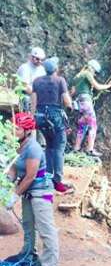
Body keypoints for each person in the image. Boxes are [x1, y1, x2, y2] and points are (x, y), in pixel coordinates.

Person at [5, 113, 59, 266]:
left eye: (17, 128)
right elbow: (14, 168)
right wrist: (5, 182)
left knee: (45, 227)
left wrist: (14, 194)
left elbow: (30, 176)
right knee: (28, 226)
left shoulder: (33, 148)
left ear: (27, 131)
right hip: (29, 192)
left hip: (41, 192)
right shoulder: (18, 146)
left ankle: (50, 264)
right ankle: (28, 254)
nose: (14, 130)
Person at [31, 57, 73, 194]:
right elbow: (67, 102)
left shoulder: (36, 81)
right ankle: (58, 182)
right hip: (55, 117)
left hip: (41, 117)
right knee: (59, 148)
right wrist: (71, 104)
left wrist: (33, 118)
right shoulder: (60, 80)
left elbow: (33, 102)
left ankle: (48, 178)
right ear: (56, 69)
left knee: (49, 147)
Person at [71, 60, 111, 156]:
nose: (94, 74)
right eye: (94, 72)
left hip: (79, 102)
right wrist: (109, 85)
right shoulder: (87, 73)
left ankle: (76, 148)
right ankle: (90, 149)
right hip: (86, 101)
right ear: (92, 68)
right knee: (93, 125)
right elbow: (97, 86)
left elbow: (72, 92)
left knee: (83, 125)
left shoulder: (77, 76)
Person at [16, 47, 46, 111]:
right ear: (31, 57)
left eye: (42, 60)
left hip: (37, 96)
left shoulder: (42, 69)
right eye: (37, 59)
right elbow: (25, 87)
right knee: (26, 99)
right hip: (24, 95)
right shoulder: (25, 68)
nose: (39, 61)